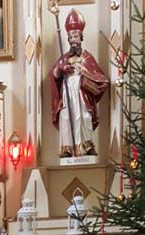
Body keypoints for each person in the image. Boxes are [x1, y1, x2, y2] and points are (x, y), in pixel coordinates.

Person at [49, 9, 108, 158]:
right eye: (70, 37)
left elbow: (100, 77)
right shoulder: (64, 58)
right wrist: (62, 69)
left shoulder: (87, 57)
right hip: (67, 91)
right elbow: (54, 74)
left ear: (81, 37)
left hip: (82, 92)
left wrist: (84, 72)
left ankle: (86, 146)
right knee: (66, 117)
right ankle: (67, 148)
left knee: (83, 117)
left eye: (76, 36)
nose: (73, 40)